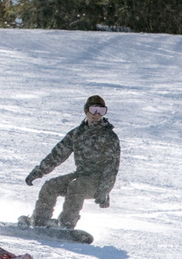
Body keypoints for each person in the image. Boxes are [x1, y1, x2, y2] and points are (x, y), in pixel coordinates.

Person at [25, 95, 121, 230]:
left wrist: (104, 190)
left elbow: (112, 167)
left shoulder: (109, 136)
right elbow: (56, 155)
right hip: (81, 175)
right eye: (94, 109)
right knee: (50, 186)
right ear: (86, 111)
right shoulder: (77, 134)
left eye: (101, 111)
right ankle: (39, 223)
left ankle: (66, 225)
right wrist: (37, 172)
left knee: (76, 186)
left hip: (98, 181)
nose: (97, 114)